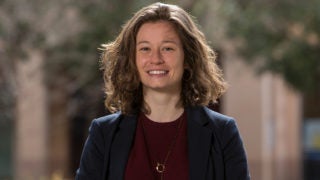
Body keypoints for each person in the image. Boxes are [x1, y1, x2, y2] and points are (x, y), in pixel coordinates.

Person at [76, 2, 250, 180]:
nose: (156, 59)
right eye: (145, 49)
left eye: (167, 48)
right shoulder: (104, 134)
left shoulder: (222, 132)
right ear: (132, 59)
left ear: (188, 58)